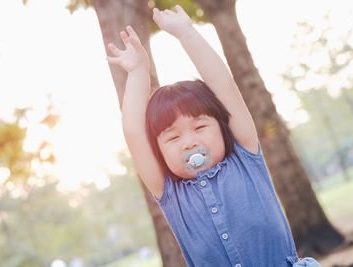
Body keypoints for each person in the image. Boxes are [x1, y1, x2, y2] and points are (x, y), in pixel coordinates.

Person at [107, 5, 322, 267]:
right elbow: (133, 132)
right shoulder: (169, 191)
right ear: (159, 151)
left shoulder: (244, 157)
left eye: (199, 127)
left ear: (222, 127)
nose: (190, 141)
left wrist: (186, 33)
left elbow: (225, 86)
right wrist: (138, 71)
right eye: (173, 138)